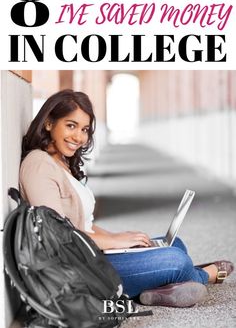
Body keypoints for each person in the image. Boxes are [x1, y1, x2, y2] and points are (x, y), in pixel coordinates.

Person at [19, 90, 234, 308]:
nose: (79, 137)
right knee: (177, 261)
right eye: (70, 125)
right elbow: (58, 236)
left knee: (176, 245)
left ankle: (155, 291)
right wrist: (114, 243)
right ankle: (203, 276)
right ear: (48, 123)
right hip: (79, 270)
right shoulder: (39, 165)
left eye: (84, 129)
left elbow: (83, 224)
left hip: (92, 255)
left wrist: (118, 237)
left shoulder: (61, 163)